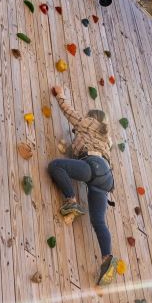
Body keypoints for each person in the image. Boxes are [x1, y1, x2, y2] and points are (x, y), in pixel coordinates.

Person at [47, 85, 120, 286]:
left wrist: (60, 94)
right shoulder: (107, 138)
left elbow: (69, 112)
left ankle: (71, 201)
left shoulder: (89, 123)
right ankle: (107, 259)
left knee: (56, 166)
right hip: (106, 179)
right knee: (98, 221)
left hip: (92, 165)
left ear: (93, 117)